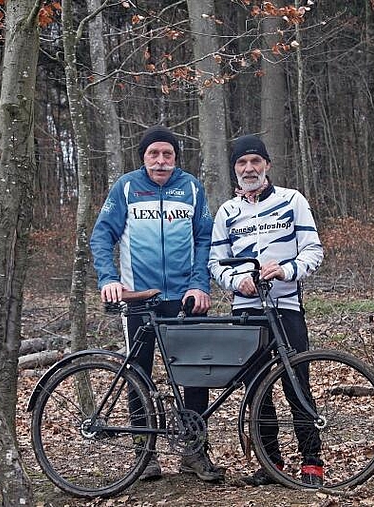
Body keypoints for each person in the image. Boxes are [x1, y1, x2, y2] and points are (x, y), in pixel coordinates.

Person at [90, 125, 223, 482]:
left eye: (167, 154)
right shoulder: (127, 187)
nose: (161, 161)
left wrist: (199, 285)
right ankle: (144, 455)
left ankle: (194, 453)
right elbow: (102, 235)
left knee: (196, 374)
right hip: (139, 299)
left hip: (185, 298)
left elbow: (204, 240)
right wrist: (109, 279)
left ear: (176, 158)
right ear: (144, 158)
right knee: (139, 374)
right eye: (154, 154)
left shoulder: (191, 187)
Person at [207, 134, 325, 487]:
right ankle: (269, 463)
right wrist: (235, 279)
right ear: (234, 170)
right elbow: (215, 263)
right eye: (242, 163)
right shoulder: (227, 211)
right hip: (246, 311)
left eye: (255, 161)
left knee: (296, 383)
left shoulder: (292, 200)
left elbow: (313, 251)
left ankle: (312, 463)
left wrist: (287, 270)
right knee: (257, 388)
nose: (249, 168)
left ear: (267, 166)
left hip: (285, 306)